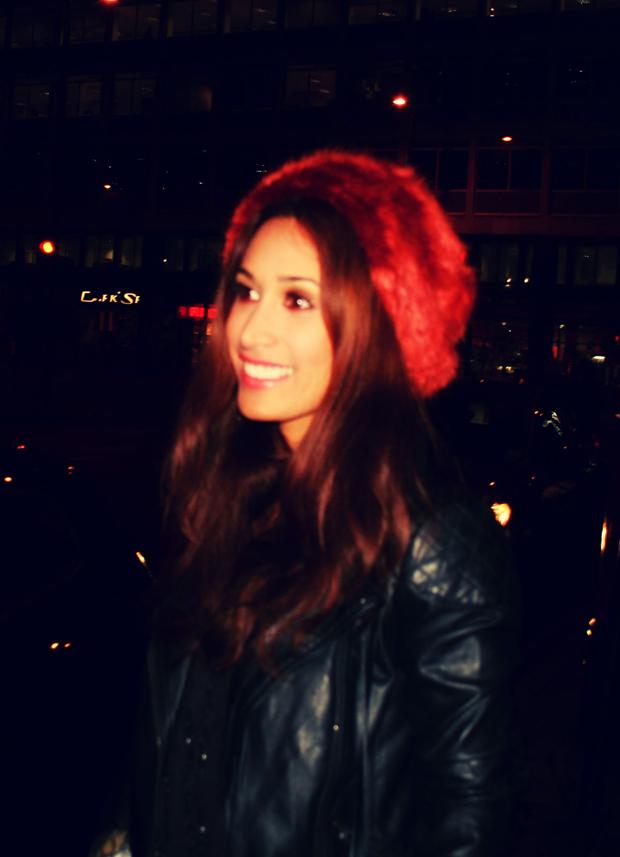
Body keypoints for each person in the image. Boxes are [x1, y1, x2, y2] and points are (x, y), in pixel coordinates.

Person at [92, 150, 518, 857]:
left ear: (380, 324)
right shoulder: (225, 493)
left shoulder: (431, 540)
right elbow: (171, 739)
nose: (249, 331)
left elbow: (469, 821)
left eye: (297, 300)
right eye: (246, 291)